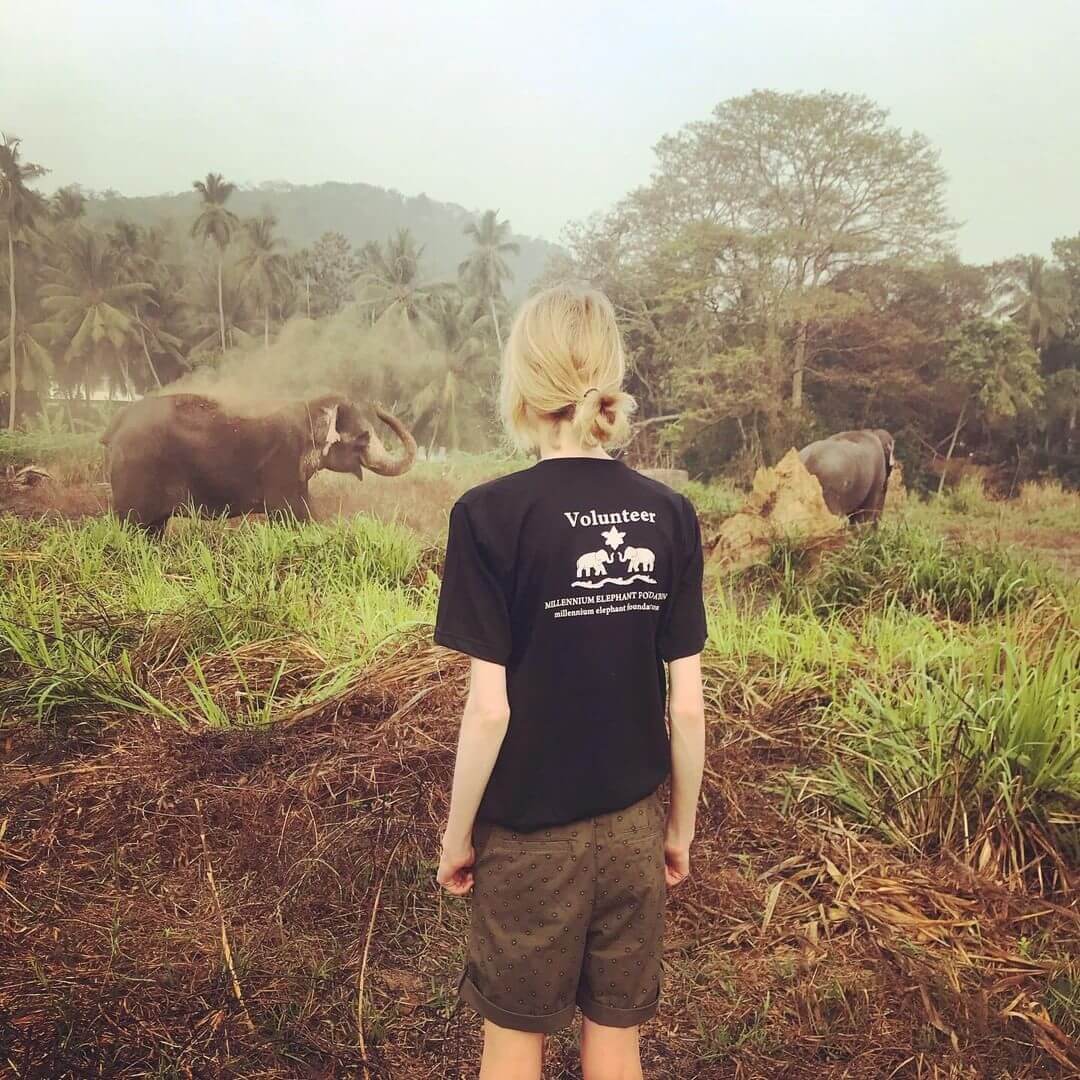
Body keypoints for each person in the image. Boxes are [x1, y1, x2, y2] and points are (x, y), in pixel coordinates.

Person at [434, 283, 707, 1080]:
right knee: (616, 1039)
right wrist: (678, 828)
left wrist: (457, 838)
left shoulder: (489, 514)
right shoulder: (670, 512)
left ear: (521, 381)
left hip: (526, 836)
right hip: (632, 826)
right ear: (609, 379)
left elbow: (490, 712)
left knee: (514, 1044)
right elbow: (686, 707)